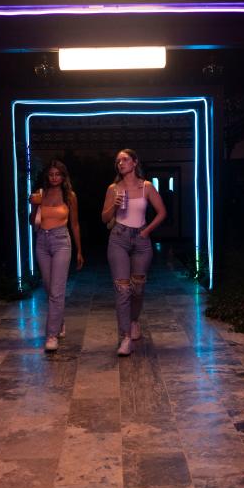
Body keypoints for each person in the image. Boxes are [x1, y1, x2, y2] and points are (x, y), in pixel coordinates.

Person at [100, 148, 167, 356]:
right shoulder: (113, 188)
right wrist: (114, 207)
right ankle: (125, 337)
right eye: (118, 161)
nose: (121, 163)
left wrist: (146, 231)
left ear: (135, 162)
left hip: (141, 239)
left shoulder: (146, 186)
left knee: (138, 288)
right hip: (119, 237)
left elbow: (162, 212)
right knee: (122, 289)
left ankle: (134, 320)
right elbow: (104, 218)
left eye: (125, 159)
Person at [30, 160, 84, 352]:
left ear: (63, 176)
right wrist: (34, 205)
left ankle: (51, 335)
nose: (54, 177)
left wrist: (79, 250)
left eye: (57, 174)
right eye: (51, 174)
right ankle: (59, 320)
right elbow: (32, 222)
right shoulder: (40, 194)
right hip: (42, 241)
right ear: (47, 176)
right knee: (47, 285)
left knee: (57, 290)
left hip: (62, 241)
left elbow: (75, 224)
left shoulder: (70, 196)